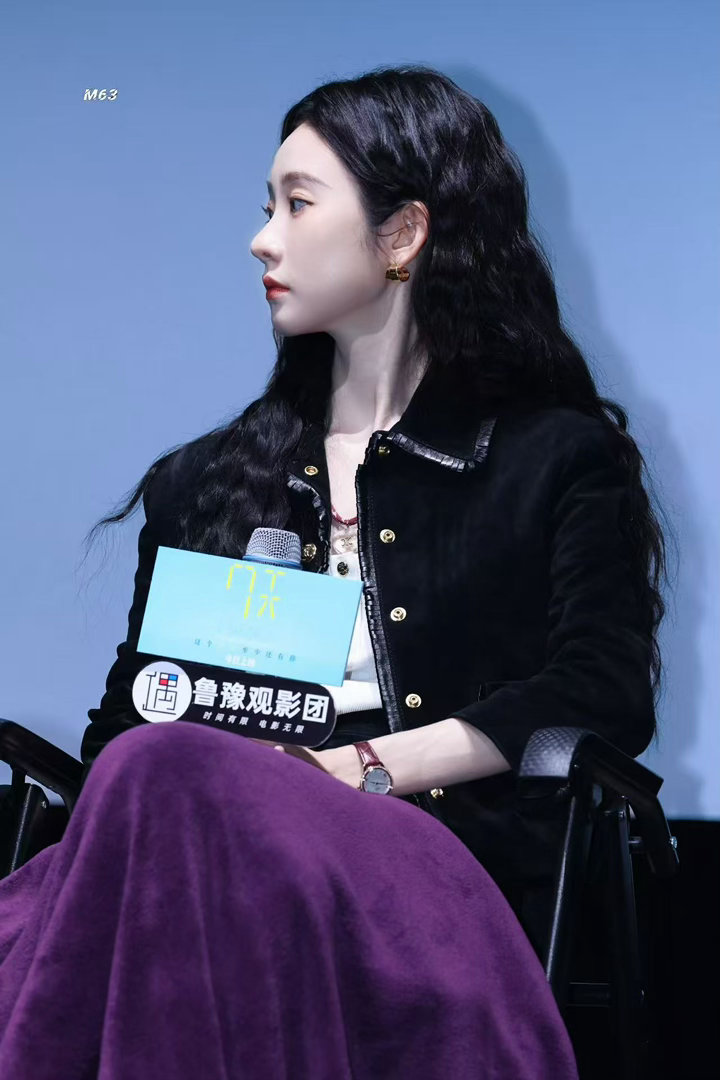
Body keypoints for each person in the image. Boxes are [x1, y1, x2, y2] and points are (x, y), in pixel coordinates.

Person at [0, 63, 672, 1078]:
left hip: (426, 871)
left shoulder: (553, 461)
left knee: (162, 779)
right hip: (203, 867)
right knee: (150, 775)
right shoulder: (205, 482)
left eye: (297, 204)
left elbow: (601, 688)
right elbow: (130, 730)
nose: (261, 240)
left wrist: (355, 769)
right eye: (265, 206)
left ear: (402, 235)